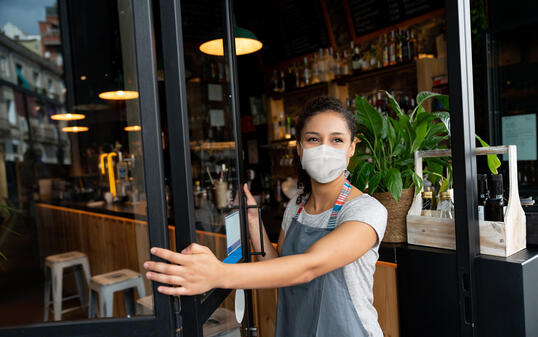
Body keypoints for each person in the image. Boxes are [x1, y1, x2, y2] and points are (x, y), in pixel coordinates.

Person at [144, 96, 388, 337]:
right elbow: (278, 268)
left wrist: (218, 274)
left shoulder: (365, 210)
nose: (325, 148)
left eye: (337, 140)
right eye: (314, 139)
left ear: (351, 148)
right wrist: (253, 221)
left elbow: (309, 266)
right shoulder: (297, 206)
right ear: (300, 149)